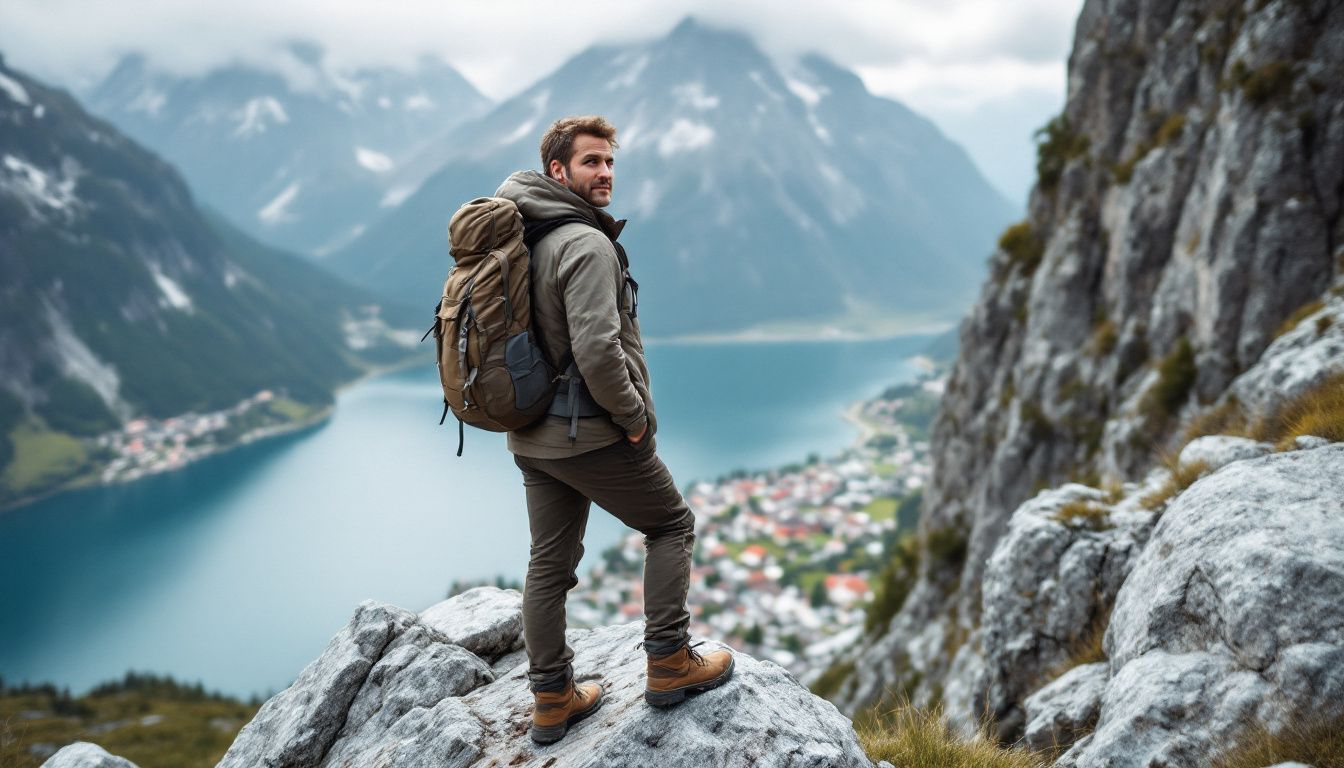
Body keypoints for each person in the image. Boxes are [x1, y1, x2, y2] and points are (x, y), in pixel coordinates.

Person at [494, 116, 734, 745]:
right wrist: (634, 420)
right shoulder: (584, 243)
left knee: (548, 565)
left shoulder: (524, 232)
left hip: (531, 435)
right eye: (591, 162)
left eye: (609, 163)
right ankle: (669, 661)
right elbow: (598, 350)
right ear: (558, 171)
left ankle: (552, 699)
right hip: (588, 432)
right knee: (670, 524)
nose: (605, 174)